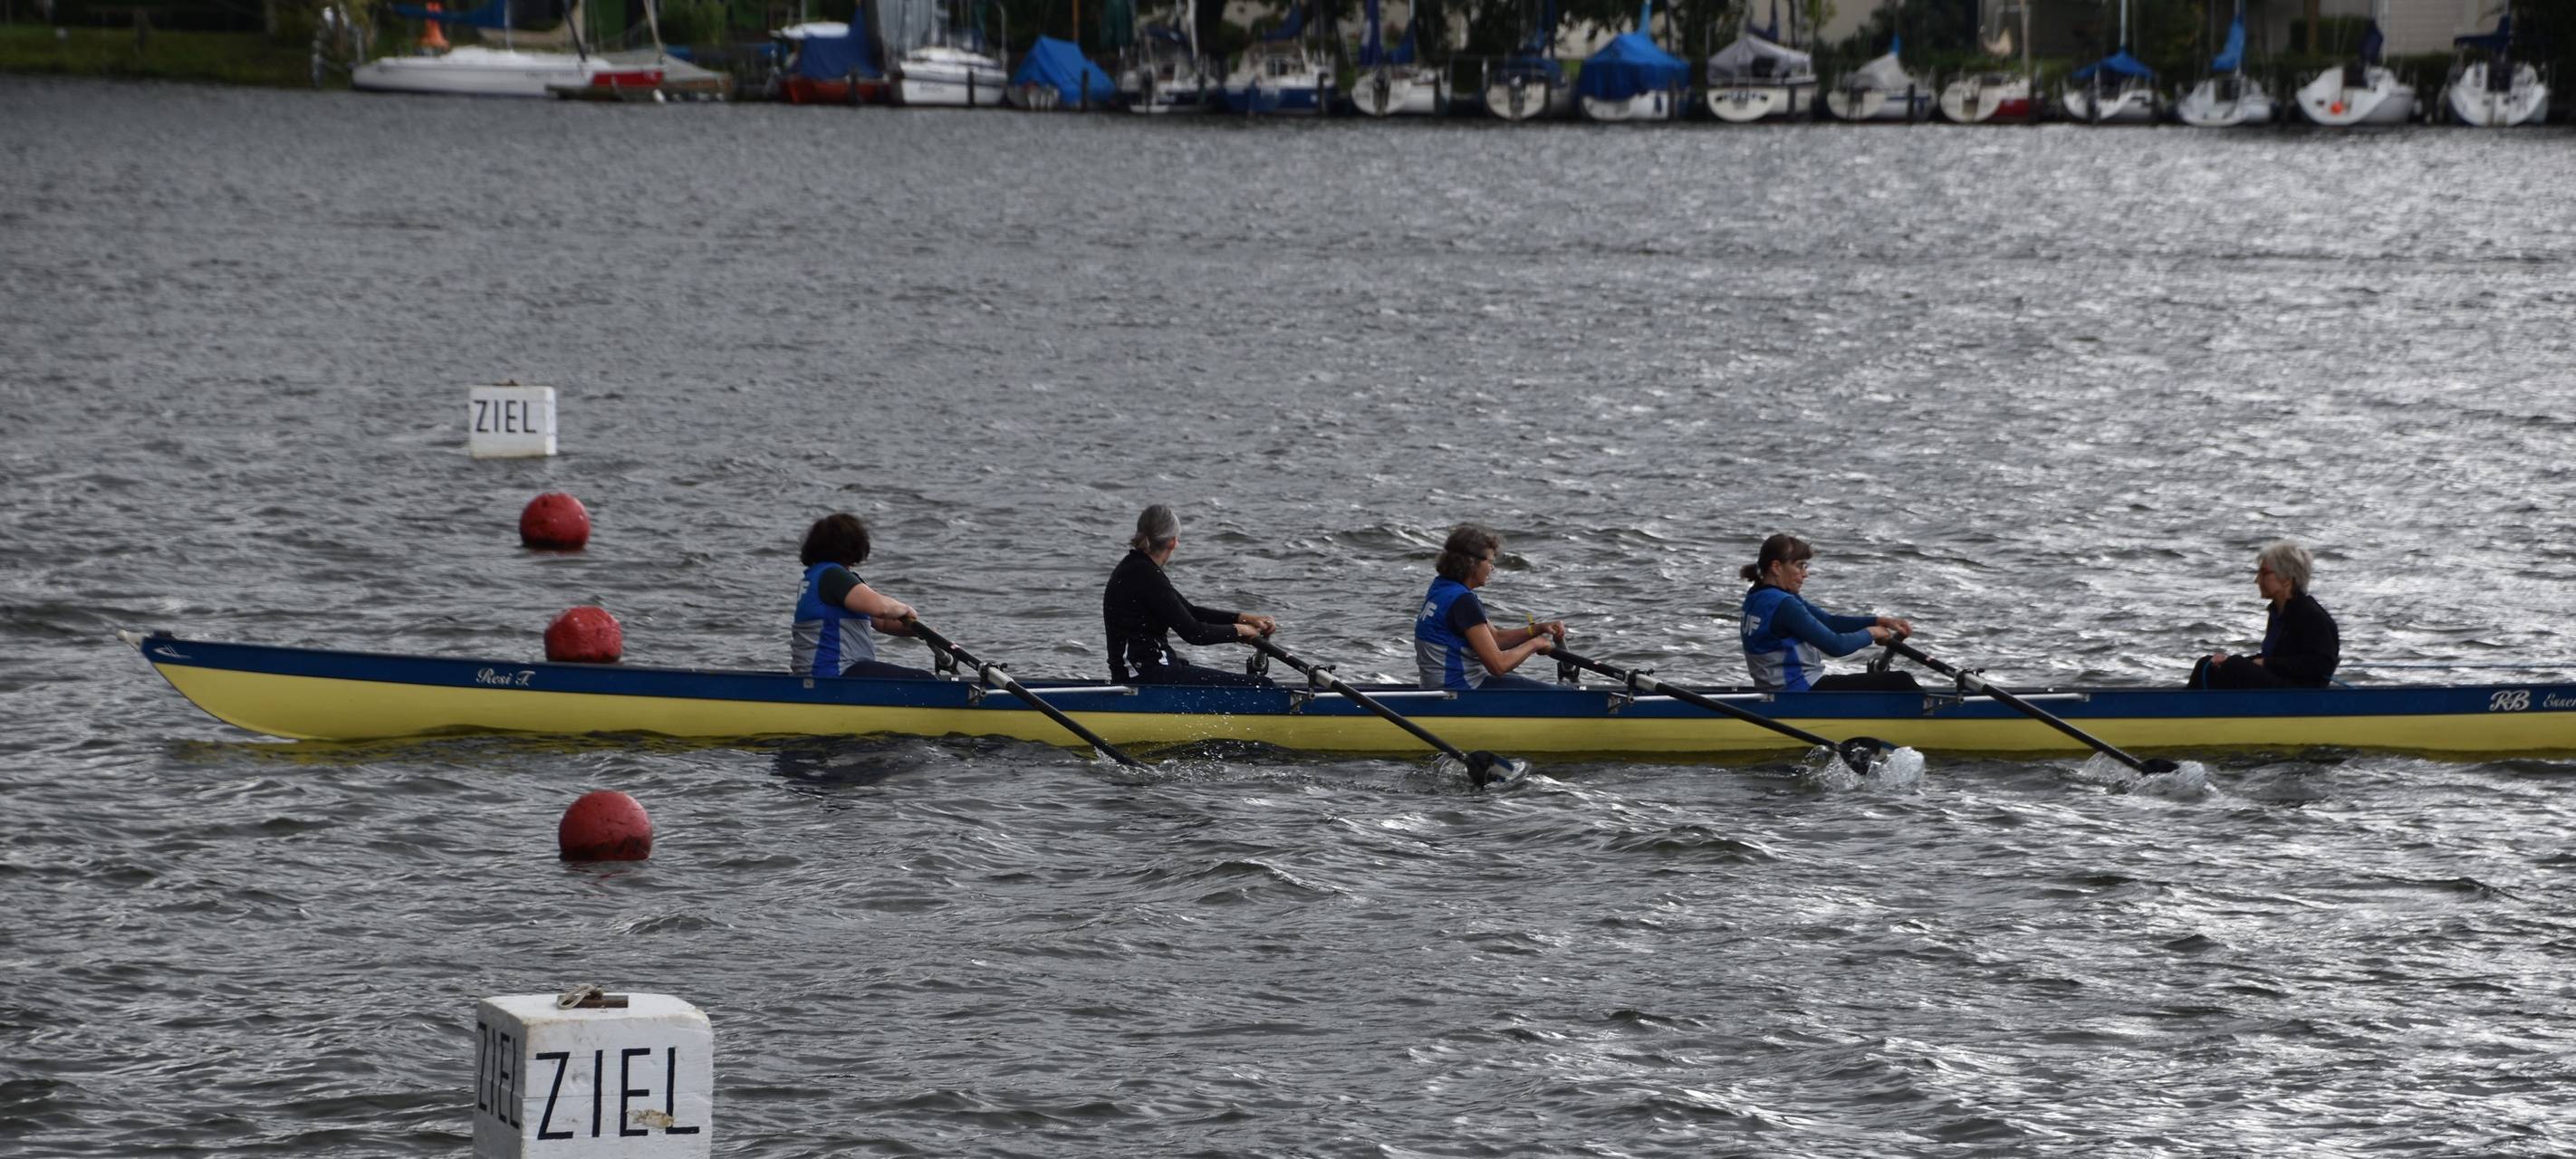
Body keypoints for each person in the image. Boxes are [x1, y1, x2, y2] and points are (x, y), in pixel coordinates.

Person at [1102, 504, 1278, 687]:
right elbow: (1194, 633)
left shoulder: (1134, 568)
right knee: (1261, 685)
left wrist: (1246, 619)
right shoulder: (1145, 575)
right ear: (1173, 542)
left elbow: (1191, 612)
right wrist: (1240, 631)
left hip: (1140, 674)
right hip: (1148, 677)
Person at [1739, 532, 1918, 693]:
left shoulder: (1757, 596)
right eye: (1800, 566)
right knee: (1901, 681)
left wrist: (1879, 622)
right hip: (1799, 691)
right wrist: (1872, 633)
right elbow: (1836, 646)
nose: (1805, 574)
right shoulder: (1784, 604)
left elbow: (1829, 622)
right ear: (1776, 567)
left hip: (1778, 690)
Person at [1415, 524, 1567, 691]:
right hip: (1461, 690)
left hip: (1443, 686)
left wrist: (1537, 630)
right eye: (1490, 561)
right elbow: (1498, 666)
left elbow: (1495, 639)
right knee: (1559, 695)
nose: (1492, 568)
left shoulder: (1441, 588)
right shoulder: (1463, 601)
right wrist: (1536, 644)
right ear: (1471, 563)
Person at [792, 513, 933, 679]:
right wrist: (906, 609)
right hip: (836, 671)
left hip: (827, 671)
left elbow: (883, 623)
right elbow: (881, 608)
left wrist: (922, 631)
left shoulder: (818, 576)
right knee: (923, 680)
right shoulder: (833, 576)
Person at [2189, 540, 2340, 689]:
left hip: (2300, 692)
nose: (2257, 580)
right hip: (2279, 681)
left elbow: (2321, 664)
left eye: (2264, 573)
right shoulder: (2278, 612)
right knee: (2207, 664)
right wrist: (2229, 662)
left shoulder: (2312, 616)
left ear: (2287, 579)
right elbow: (2273, 658)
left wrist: (2265, 663)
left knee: (2235, 666)